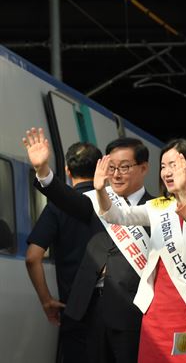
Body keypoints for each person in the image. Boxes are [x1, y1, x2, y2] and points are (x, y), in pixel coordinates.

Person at [94, 138, 186, 362]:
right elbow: (117, 216)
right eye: (163, 166)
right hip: (156, 312)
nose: (167, 172)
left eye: (174, 165)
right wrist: (101, 190)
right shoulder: (159, 206)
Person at [23, 130, 153, 363]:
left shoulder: (158, 208)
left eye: (124, 167)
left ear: (144, 168)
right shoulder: (97, 200)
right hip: (89, 311)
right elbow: (64, 197)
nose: (116, 174)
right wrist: (43, 170)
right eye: (111, 168)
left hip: (133, 314)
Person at [25, 141, 102, 363]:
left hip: (73, 307)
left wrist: (47, 300)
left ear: (67, 171)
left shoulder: (57, 207)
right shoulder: (114, 207)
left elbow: (32, 258)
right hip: (111, 310)